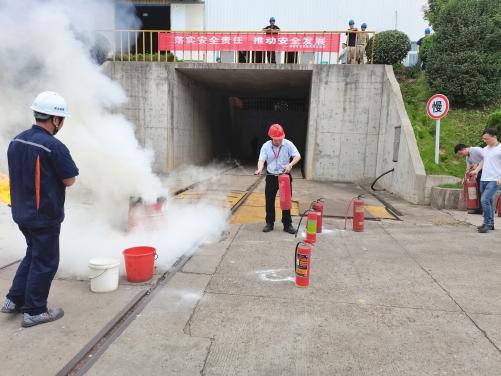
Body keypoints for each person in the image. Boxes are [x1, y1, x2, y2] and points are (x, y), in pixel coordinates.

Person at [1, 91, 79, 327]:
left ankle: (14, 299)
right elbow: (69, 180)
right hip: (43, 216)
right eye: (62, 120)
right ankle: (34, 310)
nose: (62, 124)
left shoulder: (16, 141)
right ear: (56, 120)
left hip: (21, 213)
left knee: (33, 253)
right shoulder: (53, 146)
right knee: (46, 261)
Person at [255, 124, 301, 234]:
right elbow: (261, 159)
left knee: (286, 200)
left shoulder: (288, 144)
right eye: (275, 140)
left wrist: (290, 165)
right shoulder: (266, 146)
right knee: (269, 200)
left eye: (280, 139)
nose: (278, 141)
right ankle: (269, 223)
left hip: (284, 176)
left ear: (283, 136)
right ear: (271, 137)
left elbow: (297, 156)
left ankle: (287, 224)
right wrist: (260, 169)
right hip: (271, 177)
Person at [470, 128, 501, 233]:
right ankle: (490, 223)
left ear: (494, 137)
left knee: (484, 200)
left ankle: (487, 224)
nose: (484, 141)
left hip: (495, 179)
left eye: (486, 139)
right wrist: (476, 171)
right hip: (484, 179)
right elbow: (483, 161)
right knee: (489, 201)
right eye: (483, 139)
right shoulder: (486, 148)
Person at [455, 143, 484, 214]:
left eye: (461, 153)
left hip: (486, 171)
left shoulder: (476, 150)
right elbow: (468, 168)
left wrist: (476, 167)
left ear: (463, 149)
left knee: (482, 190)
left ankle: (482, 209)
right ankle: (479, 208)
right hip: (478, 172)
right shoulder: (468, 157)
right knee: (478, 190)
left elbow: (486, 157)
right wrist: (464, 178)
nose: (461, 155)